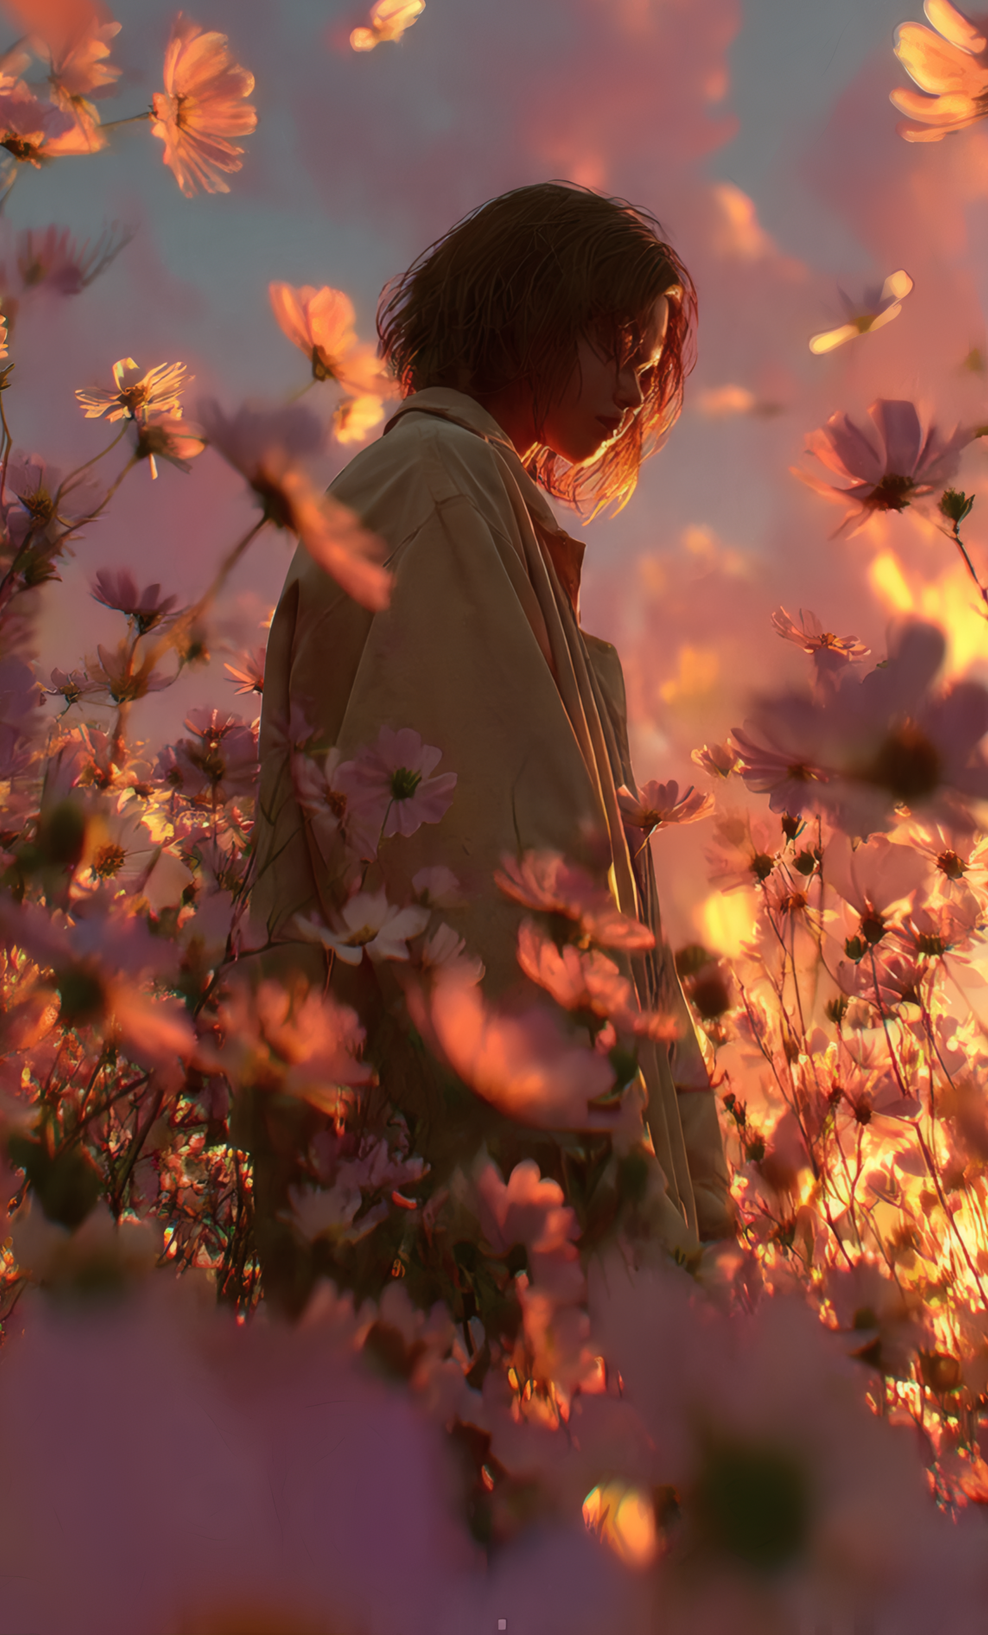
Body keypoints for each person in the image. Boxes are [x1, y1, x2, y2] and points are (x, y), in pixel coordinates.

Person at [247, 181, 732, 1301]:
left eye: (645, 358)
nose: (628, 388)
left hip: (502, 1226)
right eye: (616, 342)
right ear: (527, 308)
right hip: (489, 1255)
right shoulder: (440, 489)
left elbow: (613, 948)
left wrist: (704, 1238)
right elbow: (484, 899)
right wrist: (647, 1255)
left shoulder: (463, 498)